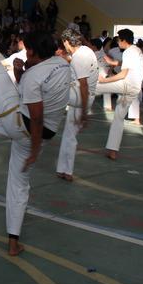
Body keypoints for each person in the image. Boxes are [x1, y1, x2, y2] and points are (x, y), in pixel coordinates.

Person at [0, 0, 70, 256]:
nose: (26, 55)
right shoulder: (63, 66)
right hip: (42, 134)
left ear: (36, 52)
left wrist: (34, 150)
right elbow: (38, 102)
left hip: (22, 125)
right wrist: (21, 72)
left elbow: (36, 116)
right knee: (19, 184)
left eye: (28, 52)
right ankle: (13, 241)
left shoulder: (33, 76)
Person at [95, 29, 143, 160]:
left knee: (95, 86)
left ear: (124, 40)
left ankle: (69, 95)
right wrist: (114, 63)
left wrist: (105, 80)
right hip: (134, 89)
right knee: (118, 118)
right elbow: (129, 66)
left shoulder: (129, 52)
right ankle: (112, 151)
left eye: (118, 40)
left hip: (126, 85)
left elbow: (123, 74)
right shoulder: (136, 50)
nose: (117, 42)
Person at [56, 29, 99, 181]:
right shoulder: (86, 50)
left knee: (70, 136)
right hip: (83, 95)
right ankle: (62, 169)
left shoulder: (78, 58)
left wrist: (85, 112)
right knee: (69, 133)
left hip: (79, 97)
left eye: (64, 44)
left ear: (67, 42)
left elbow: (83, 85)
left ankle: (67, 170)